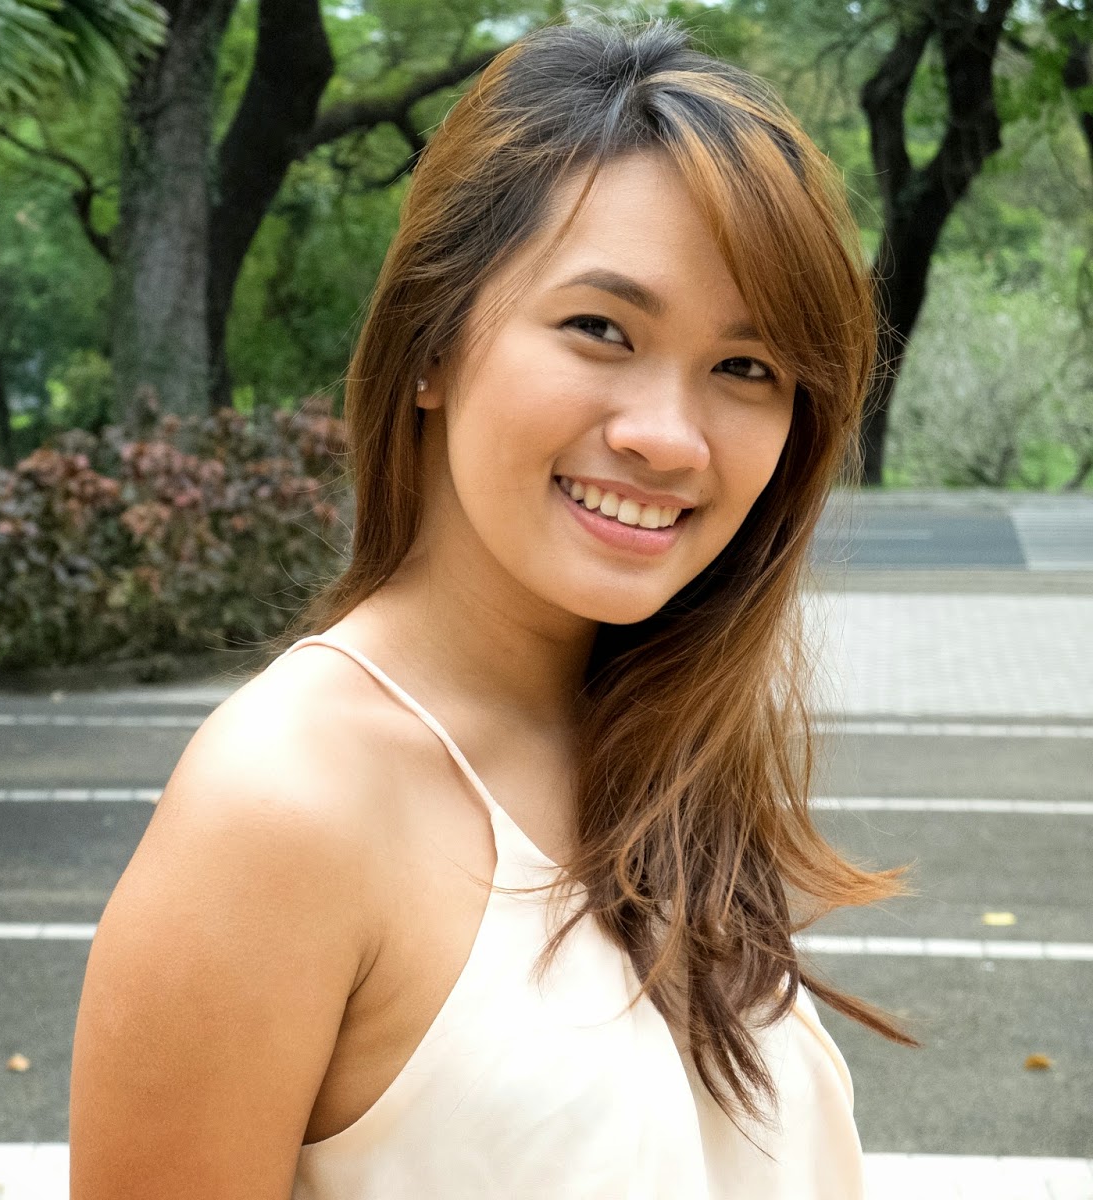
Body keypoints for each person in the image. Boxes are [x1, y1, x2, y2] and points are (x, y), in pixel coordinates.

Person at [68, 15, 920, 1199]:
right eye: (598, 329)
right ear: (431, 341)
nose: (668, 438)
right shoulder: (283, 807)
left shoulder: (657, 742)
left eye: (745, 368)